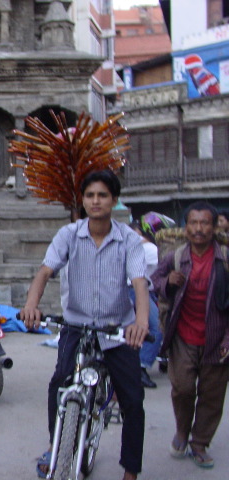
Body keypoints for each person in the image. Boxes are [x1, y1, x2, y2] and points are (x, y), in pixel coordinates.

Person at [21, 169, 150, 480]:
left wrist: (141, 322)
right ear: (83, 200)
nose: (96, 201)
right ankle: (57, 447)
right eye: (90, 195)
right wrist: (31, 305)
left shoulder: (129, 240)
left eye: (103, 195)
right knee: (58, 383)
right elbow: (44, 272)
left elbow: (139, 283)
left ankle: (131, 469)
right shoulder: (69, 235)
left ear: (114, 200)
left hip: (117, 329)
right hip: (77, 325)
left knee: (132, 399)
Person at [151, 201, 229, 469]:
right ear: (186, 228)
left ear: (214, 226)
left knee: (212, 395)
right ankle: (182, 431)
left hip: (217, 338)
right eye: (193, 223)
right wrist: (167, 282)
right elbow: (153, 281)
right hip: (183, 336)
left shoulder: (225, 258)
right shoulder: (175, 256)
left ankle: (199, 443)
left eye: (205, 223)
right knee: (182, 389)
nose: (199, 229)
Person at [129, 220, 162, 388]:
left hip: (139, 289)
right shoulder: (152, 249)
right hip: (134, 290)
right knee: (156, 328)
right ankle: (141, 366)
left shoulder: (143, 247)